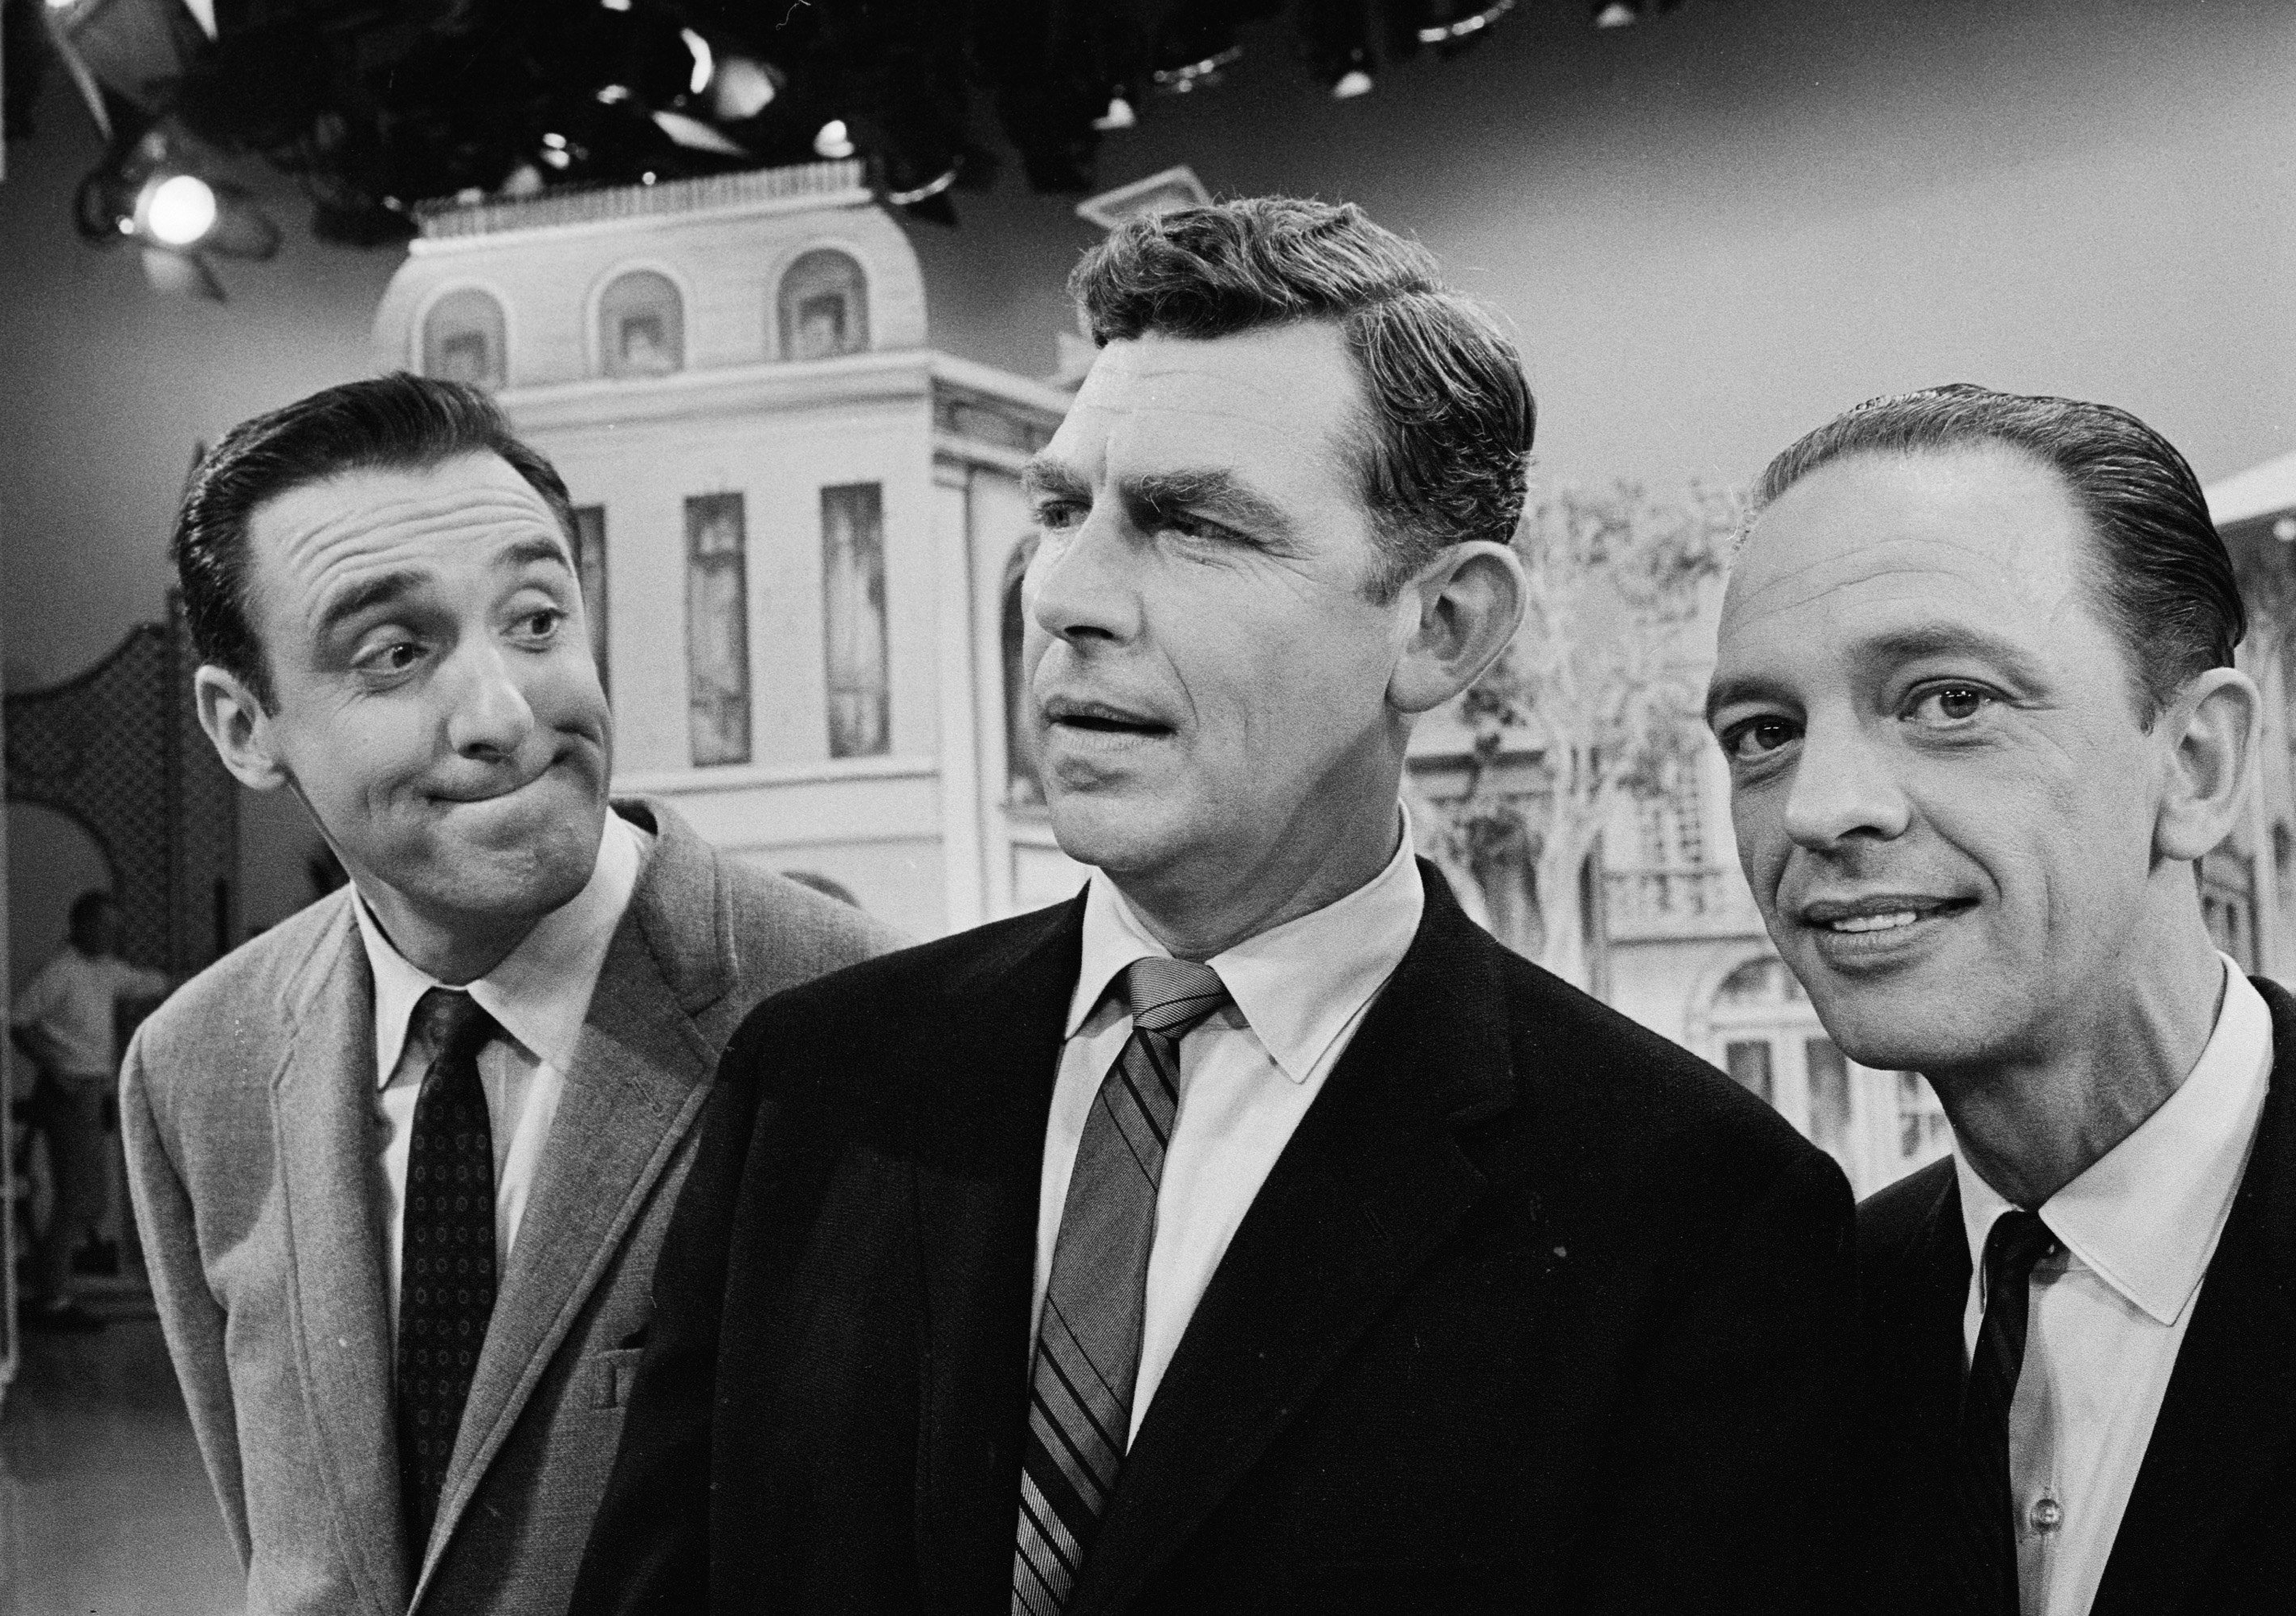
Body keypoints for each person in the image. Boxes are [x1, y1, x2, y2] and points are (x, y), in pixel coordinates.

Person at [573, 198, 1857, 1616]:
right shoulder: (814, 1081)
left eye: (1192, 526)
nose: (1065, 593)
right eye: (1061, 509)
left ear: (1441, 626)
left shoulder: (1688, 1207)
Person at [120, 374, 900, 1616]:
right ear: (243, 728)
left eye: (537, 622)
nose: (503, 712)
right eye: (395, 653)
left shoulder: (856, 1019)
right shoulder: (195, 1061)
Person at [1708, 383, 2294, 1614]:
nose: (1819, 807)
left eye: (1949, 701)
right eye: (1764, 731)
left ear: (2195, 766)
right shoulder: (1806, 1326)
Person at [10, 889, 168, 1331]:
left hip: (90, 1090)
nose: (109, 936)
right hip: (67, 1091)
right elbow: (17, 1022)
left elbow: (152, 981)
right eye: (101, 926)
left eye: (115, 929)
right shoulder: (60, 972)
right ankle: (51, 1299)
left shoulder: (104, 972)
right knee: (78, 1198)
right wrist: (55, 1068)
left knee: (88, 1198)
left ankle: (51, 1289)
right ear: (78, 925)